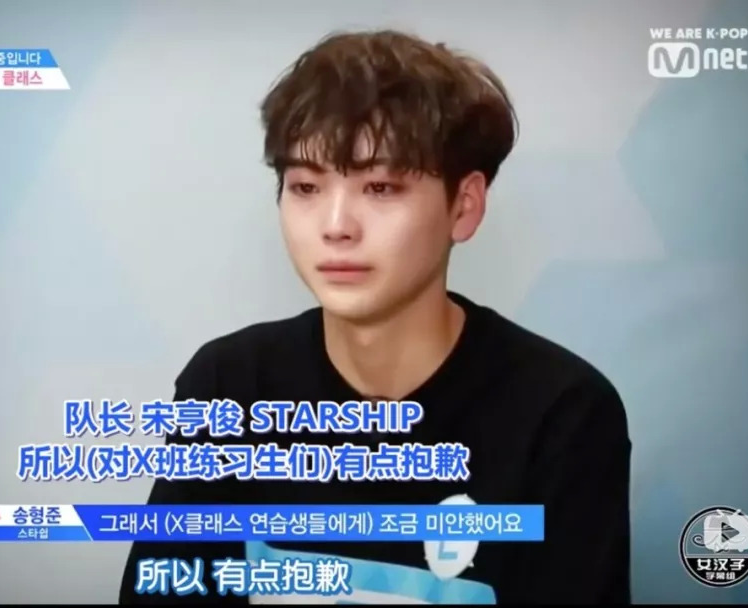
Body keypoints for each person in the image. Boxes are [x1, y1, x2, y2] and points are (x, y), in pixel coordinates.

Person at [118, 29, 632, 605]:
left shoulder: (562, 412)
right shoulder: (229, 387)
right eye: (305, 186)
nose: (336, 225)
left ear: (464, 206)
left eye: (381, 187)